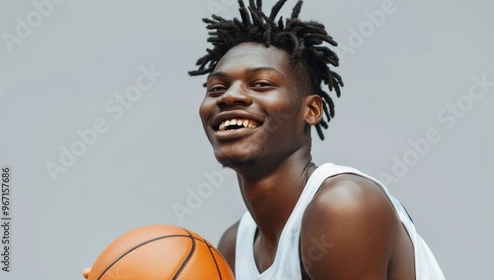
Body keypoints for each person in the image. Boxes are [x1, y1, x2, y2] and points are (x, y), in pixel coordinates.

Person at [188, 0, 446, 279]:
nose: (229, 96)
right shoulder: (235, 245)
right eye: (217, 88)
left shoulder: (344, 205)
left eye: (261, 84)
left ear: (310, 110)